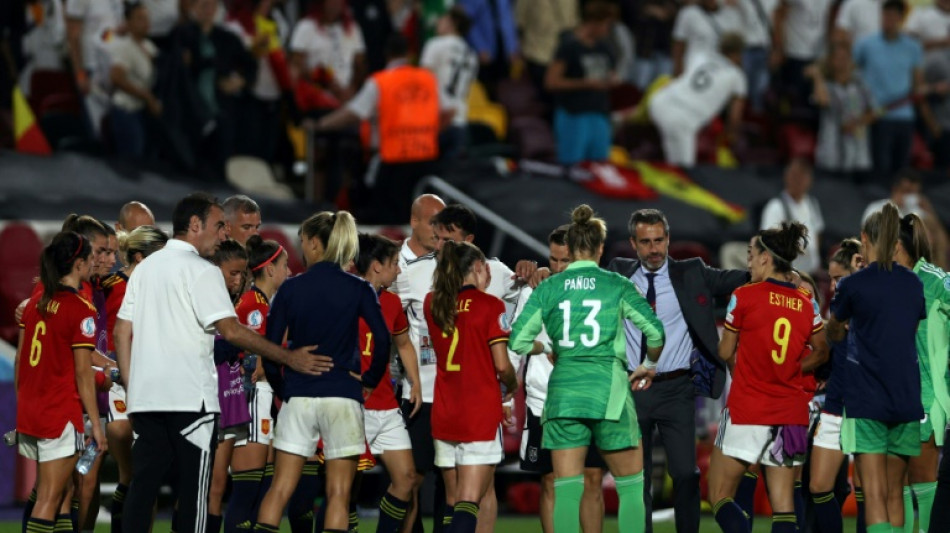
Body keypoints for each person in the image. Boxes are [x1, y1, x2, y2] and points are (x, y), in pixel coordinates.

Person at [113, 192, 331, 533]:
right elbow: (230, 331)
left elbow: (121, 331)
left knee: (143, 490)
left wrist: (132, 385)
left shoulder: (146, 268)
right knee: (195, 495)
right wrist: (288, 356)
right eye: (219, 226)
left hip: (147, 402)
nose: (224, 234)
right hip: (191, 404)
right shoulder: (202, 270)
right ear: (195, 225)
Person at [510, 204, 665, 533]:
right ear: (599, 248)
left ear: (573, 248)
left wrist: (549, 346)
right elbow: (655, 332)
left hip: (564, 394)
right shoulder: (616, 284)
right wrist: (649, 365)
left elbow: (517, 342)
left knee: (566, 491)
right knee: (631, 488)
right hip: (609, 393)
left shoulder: (549, 287)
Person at [606, 208, 749, 533]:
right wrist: (545, 273)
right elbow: (580, 280)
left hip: (676, 390)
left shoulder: (692, 272)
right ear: (633, 243)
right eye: (646, 242)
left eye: (659, 240)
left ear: (668, 239)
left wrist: (780, 277)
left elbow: (738, 278)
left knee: (686, 473)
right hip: (630, 390)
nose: (654, 249)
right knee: (635, 478)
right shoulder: (617, 273)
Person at [253, 210, 392, 532]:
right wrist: (369, 381)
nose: (302, 248)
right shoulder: (358, 287)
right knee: (339, 495)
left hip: (299, 397)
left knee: (280, 489)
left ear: (315, 243)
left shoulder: (290, 288)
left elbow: (271, 348)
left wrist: (282, 389)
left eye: (303, 241)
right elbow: (382, 339)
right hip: (342, 397)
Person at [708, 222, 828, 533]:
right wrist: (791, 370)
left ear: (765, 258)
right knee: (784, 505)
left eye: (751, 254)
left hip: (749, 408)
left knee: (719, 495)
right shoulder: (806, 302)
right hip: (790, 413)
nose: (748, 261)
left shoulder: (745, 295)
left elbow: (724, 352)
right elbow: (821, 351)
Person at [826, 202, 926, 533]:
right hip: (906, 399)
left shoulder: (854, 286)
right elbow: (907, 331)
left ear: (865, 239)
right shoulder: (913, 284)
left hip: (867, 399)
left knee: (875, 494)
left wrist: (844, 331)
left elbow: (833, 329)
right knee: (896, 493)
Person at [515, 225, 608, 533]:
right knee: (551, 480)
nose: (556, 268)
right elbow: (515, 344)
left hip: (589, 399)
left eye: (564, 260)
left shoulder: (597, 292)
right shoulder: (533, 291)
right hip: (544, 403)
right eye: (552, 260)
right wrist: (504, 396)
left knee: (592, 478)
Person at [423, 240, 519, 532]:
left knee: (452, 499)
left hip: (444, 410)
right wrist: (512, 386)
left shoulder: (433, 303)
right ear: (478, 267)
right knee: (469, 500)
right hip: (477, 413)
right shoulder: (491, 305)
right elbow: (501, 365)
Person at [16, 231, 107, 533]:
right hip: (60, 413)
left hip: (32, 409)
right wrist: (95, 424)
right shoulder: (82, 310)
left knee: (63, 495)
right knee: (50, 498)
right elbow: (83, 374)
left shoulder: (35, 303)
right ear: (79, 263)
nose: (96, 260)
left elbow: (23, 361)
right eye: (92, 255)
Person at [314, 35, 450, 224]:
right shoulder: (428, 78)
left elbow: (354, 113)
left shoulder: (381, 81)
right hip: (426, 159)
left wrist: (321, 124)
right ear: (409, 54)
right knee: (421, 220)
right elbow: (449, 111)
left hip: (394, 162)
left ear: (387, 54)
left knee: (387, 219)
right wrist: (431, 132)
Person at [101, 224, 168, 533]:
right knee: (134, 475)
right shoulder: (113, 286)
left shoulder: (154, 285)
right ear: (141, 258)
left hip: (151, 383)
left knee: (144, 475)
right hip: (124, 384)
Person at [353, 233, 422, 533]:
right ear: (377, 266)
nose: (399, 270)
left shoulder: (392, 302)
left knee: (406, 478)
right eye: (394, 263)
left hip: (385, 403)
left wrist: (415, 383)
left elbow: (404, 343)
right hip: (353, 405)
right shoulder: (346, 295)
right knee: (344, 487)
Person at [226, 235, 292, 532]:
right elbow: (252, 358)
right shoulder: (254, 304)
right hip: (252, 395)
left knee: (259, 489)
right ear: (269, 270)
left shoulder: (262, 303)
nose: (289, 272)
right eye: (285, 265)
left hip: (262, 397)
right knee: (245, 493)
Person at [894, 214, 949, 533]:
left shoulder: (933, 279)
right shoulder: (889, 281)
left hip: (926, 395)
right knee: (895, 479)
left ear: (898, 247)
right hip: (895, 392)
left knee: (923, 477)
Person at [808, 239, 863, 533]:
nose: (832, 287)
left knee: (869, 491)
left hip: (867, 410)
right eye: (830, 279)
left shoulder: (873, 311)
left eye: (838, 279)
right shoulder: (836, 314)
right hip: (835, 407)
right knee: (819, 486)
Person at [853, 0, 934, 187]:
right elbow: (852, 78)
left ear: (900, 18)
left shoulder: (913, 47)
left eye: (892, 15)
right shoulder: (866, 45)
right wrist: (859, 109)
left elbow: (917, 83)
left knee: (902, 171)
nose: (887, 20)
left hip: (905, 116)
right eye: (885, 15)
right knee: (881, 169)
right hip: (877, 115)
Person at [648, 32, 747, 168]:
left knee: (669, 158)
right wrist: (731, 136)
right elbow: (735, 117)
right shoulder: (737, 76)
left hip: (660, 101)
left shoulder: (701, 56)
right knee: (685, 173)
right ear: (737, 54)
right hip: (682, 119)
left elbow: (680, 74)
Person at [207, 241, 252, 533]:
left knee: (221, 485)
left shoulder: (235, 305)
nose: (238, 280)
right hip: (212, 403)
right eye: (232, 273)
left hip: (233, 400)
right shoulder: (207, 304)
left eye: (241, 274)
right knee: (209, 485)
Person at [545, 0, 618, 166]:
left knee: (599, 166)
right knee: (572, 165)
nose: (608, 29)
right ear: (593, 23)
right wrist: (584, 83)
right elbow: (551, 82)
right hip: (574, 114)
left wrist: (612, 79)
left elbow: (611, 71)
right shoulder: (569, 46)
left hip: (599, 113)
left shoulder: (605, 47)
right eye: (606, 25)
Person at [807, 42, 875, 176]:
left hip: (858, 153)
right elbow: (822, 100)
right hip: (831, 153)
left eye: (846, 58)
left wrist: (859, 122)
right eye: (838, 58)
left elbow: (876, 111)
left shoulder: (860, 85)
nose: (843, 62)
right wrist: (817, 76)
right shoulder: (826, 85)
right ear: (831, 62)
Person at [420, 6, 479, 160]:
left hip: (437, 121)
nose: (438, 21)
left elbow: (424, 82)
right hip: (460, 121)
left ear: (453, 23)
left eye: (443, 18)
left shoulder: (435, 44)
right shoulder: (471, 54)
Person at [109, 1, 161, 158]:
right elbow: (116, 78)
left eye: (147, 18)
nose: (145, 22)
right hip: (126, 110)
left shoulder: (150, 46)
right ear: (128, 23)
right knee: (133, 159)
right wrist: (147, 96)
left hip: (141, 110)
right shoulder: (123, 46)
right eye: (140, 18)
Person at [759, 158, 825, 275]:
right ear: (786, 177)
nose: (798, 181)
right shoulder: (775, 207)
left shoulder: (812, 204)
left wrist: (815, 260)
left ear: (809, 180)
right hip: (788, 274)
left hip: (812, 273)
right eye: (794, 176)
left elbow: (818, 234)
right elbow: (768, 245)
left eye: (802, 176)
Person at [670, 0, 743, 77]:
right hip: (696, 67)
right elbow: (679, 44)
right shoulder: (688, 13)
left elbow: (736, 48)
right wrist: (677, 70)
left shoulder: (730, 13)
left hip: (722, 68)